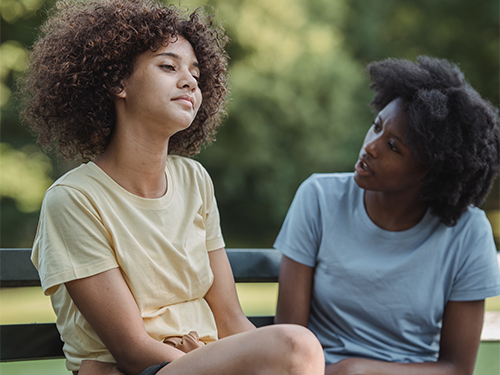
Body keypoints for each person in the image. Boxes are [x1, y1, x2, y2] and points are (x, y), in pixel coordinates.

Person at [19, 0, 325, 374]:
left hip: (201, 365)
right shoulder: (73, 201)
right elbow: (132, 349)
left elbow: (230, 321)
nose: (190, 81)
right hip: (143, 369)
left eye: (196, 74)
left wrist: (236, 359)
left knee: (291, 351)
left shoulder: (195, 181)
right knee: (296, 343)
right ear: (118, 82)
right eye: (168, 66)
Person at [274, 56, 500, 375]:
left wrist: (360, 370)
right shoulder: (319, 198)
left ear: (431, 171)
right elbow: (288, 338)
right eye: (377, 126)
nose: (371, 147)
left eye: (393, 147)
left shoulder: (469, 233)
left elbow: (457, 368)